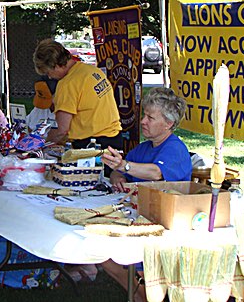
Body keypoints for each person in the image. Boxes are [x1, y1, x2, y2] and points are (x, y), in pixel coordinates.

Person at [99, 87, 192, 302]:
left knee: (107, 252)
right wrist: (118, 176)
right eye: (144, 116)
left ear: (168, 123)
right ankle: (140, 294)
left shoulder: (175, 149)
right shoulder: (144, 148)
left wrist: (125, 166)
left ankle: (143, 294)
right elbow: (118, 171)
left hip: (165, 226)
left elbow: (156, 172)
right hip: (140, 218)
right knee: (102, 253)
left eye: (150, 117)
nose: (143, 121)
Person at [33, 38, 122, 176]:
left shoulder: (67, 84)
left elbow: (62, 130)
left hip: (91, 147)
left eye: (47, 72)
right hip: (114, 140)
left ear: (55, 65)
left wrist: (38, 140)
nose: (49, 77)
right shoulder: (92, 71)